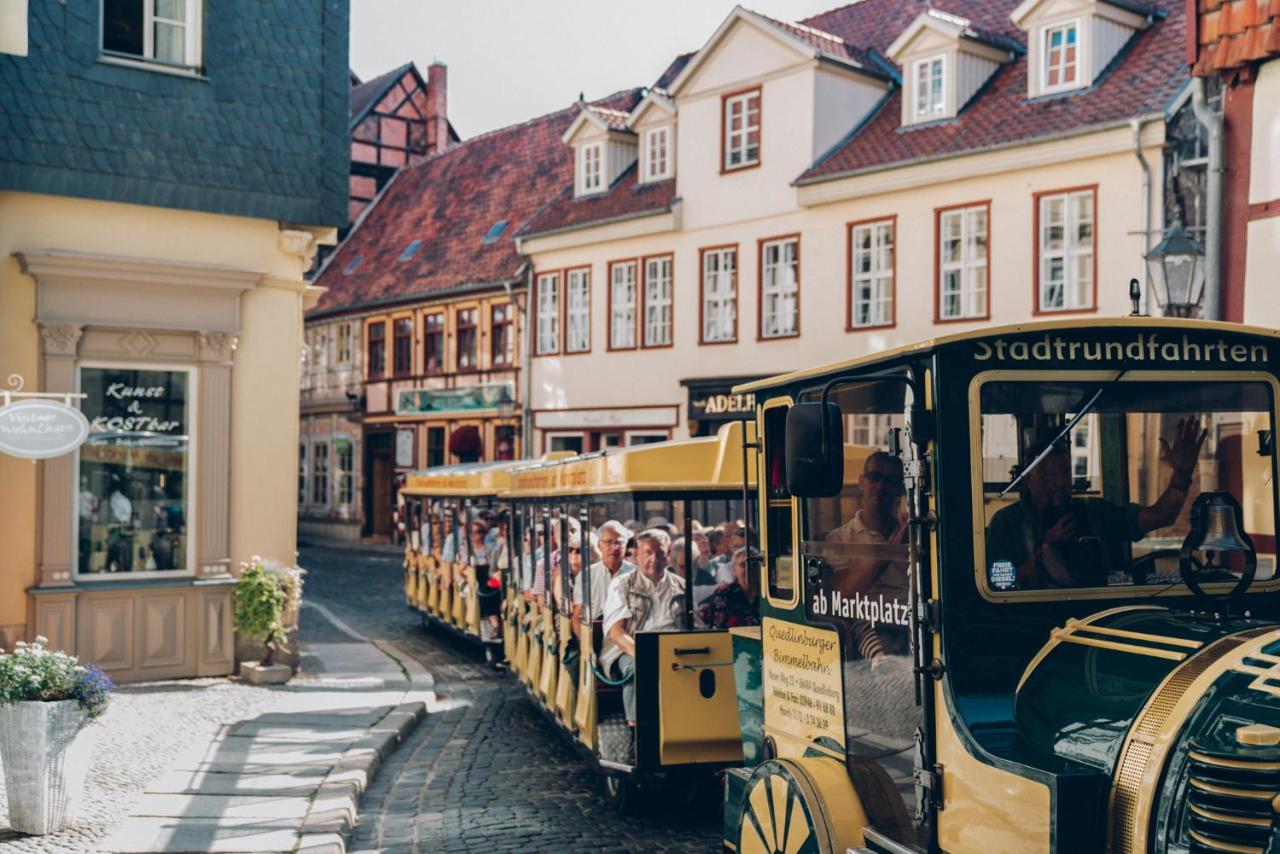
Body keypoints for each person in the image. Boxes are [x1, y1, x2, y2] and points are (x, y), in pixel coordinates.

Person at [986, 417, 1206, 589]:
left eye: (1064, 473)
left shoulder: (1094, 512)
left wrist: (1181, 474)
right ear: (1027, 480)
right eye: (1046, 475)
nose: (1058, 483)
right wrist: (1045, 546)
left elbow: (1162, 516)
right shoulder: (1007, 523)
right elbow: (1002, 585)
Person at [824, 451, 909, 664]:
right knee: (889, 667)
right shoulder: (840, 538)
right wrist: (892, 549)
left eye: (890, 480)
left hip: (915, 616)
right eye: (875, 477)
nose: (881, 486)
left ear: (901, 488)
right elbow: (845, 591)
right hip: (873, 620)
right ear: (862, 482)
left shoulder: (914, 534)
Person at [602, 529, 687, 733]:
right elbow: (617, 633)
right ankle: (637, 730)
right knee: (637, 669)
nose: (654, 559)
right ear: (637, 555)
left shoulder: (681, 586)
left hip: (674, 649)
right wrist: (645, 655)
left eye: (660, 553)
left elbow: (694, 625)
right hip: (630, 649)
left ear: (668, 556)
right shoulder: (621, 585)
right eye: (648, 553)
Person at [572, 520, 634, 637]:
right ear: (599, 545)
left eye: (619, 543)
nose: (614, 548)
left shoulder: (635, 573)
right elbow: (577, 616)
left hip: (626, 634)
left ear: (625, 546)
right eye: (609, 542)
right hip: (594, 637)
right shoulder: (586, 575)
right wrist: (586, 646)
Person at [698, 546, 761, 629]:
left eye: (754, 564)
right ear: (734, 570)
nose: (749, 568)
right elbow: (718, 628)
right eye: (743, 565)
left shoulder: (769, 595)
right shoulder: (725, 593)